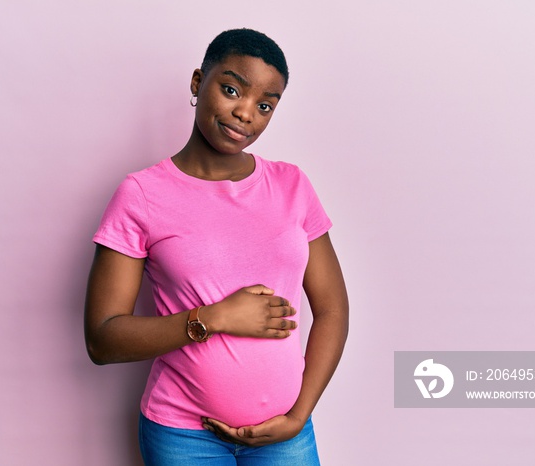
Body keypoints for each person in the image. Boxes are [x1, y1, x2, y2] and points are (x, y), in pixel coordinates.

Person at [84, 28, 349, 466]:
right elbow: (102, 338)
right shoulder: (142, 194)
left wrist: (300, 415)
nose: (245, 113)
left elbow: (334, 309)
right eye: (231, 89)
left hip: (285, 433)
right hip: (184, 436)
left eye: (265, 105)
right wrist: (216, 318)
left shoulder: (292, 186)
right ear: (196, 83)